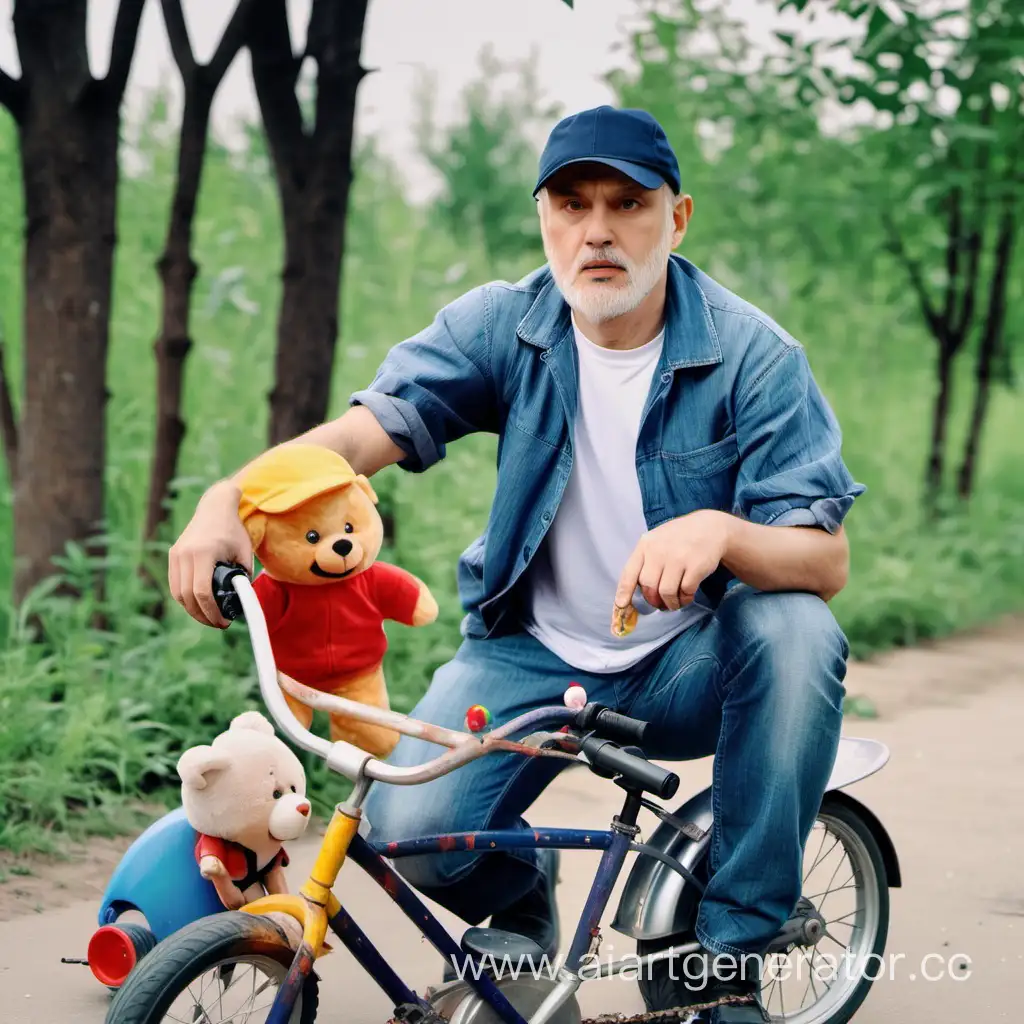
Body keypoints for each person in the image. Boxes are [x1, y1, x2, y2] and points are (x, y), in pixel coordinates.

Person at [169, 105, 864, 1022]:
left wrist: (723, 534)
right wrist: (230, 498)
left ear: (678, 217)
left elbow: (825, 557)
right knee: (410, 833)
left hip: (689, 664)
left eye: (628, 203)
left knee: (797, 626)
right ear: (544, 216)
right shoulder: (507, 325)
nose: (599, 230)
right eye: (571, 205)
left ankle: (728, 960)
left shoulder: (752, 357)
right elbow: (352, 442)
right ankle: (524, 898)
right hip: (531, 652)